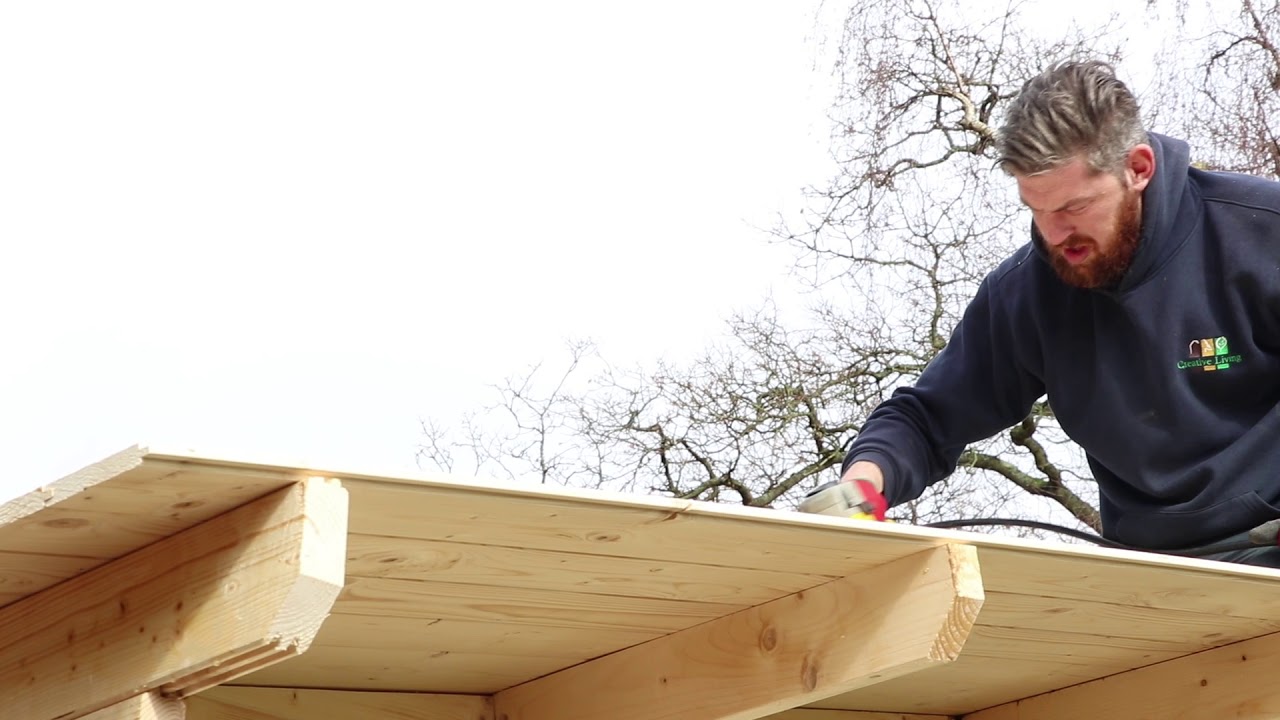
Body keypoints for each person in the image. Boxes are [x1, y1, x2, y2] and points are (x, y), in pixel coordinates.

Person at [837, 59, 1280, 567]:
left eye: (1073, 209)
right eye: (1037, 210)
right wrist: (862, 486)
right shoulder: (1026, 295)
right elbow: (925, 417)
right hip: (1150, 572)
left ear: (1137, 169)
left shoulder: (1261, 234)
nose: (1053, 235)